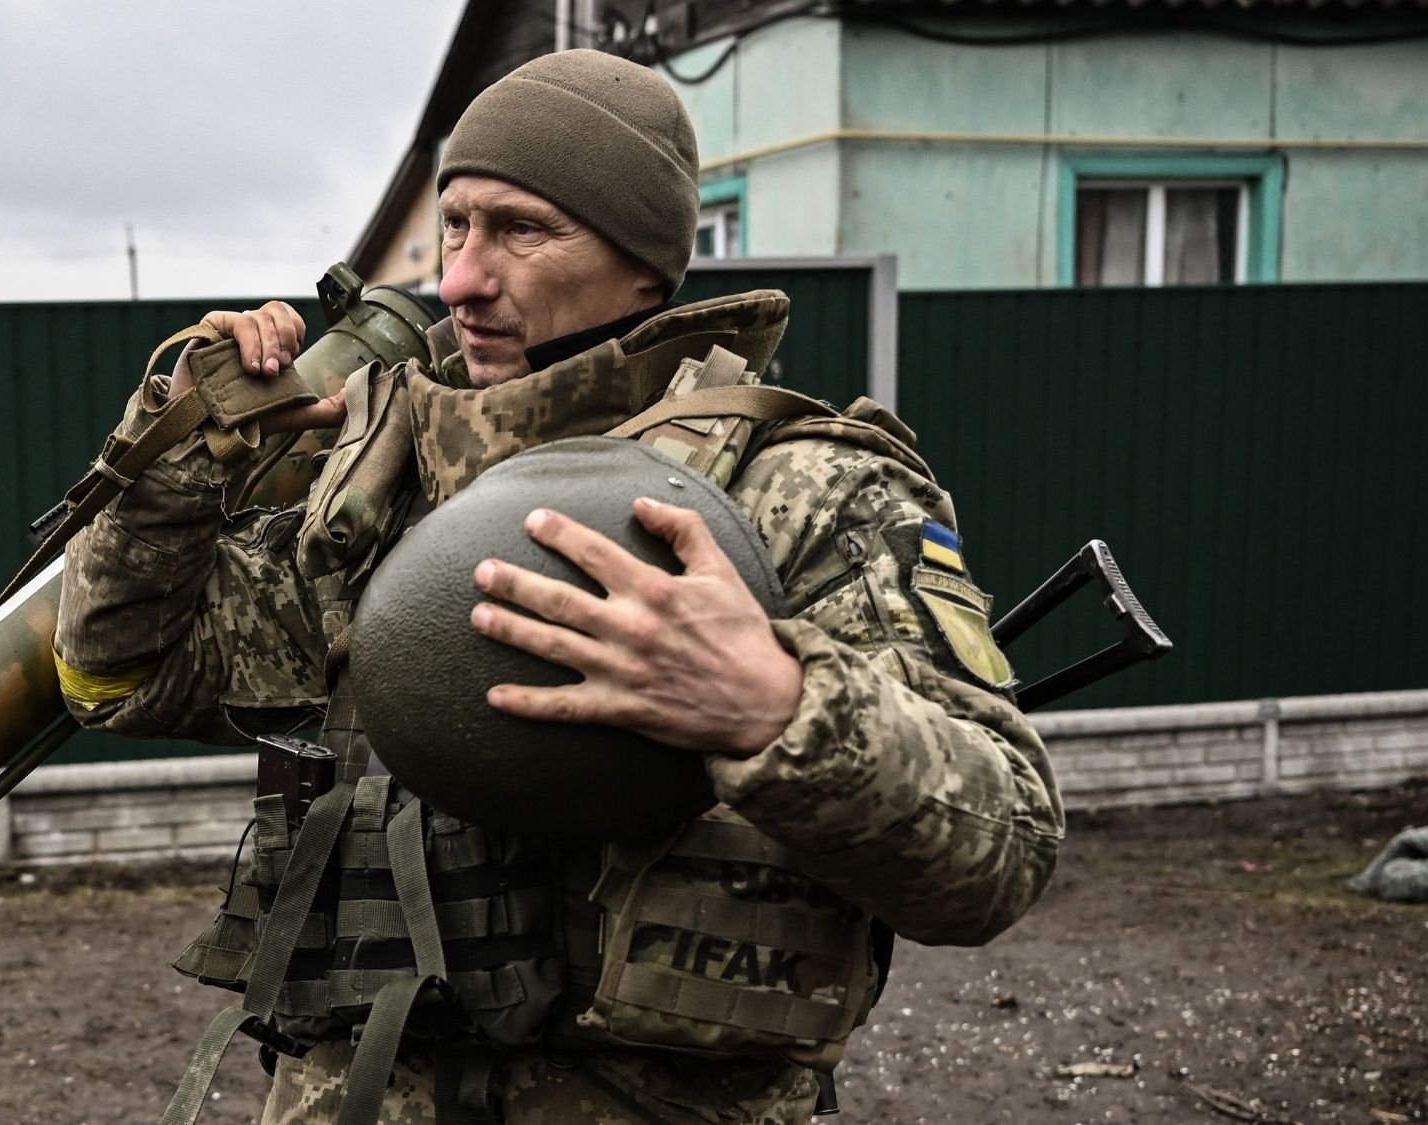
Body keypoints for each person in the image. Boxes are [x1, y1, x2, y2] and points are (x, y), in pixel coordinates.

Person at [54, 49, 1062, 1124]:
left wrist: (778, 707)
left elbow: (998, 852)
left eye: (521, 230)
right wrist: (176, 461)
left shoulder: (799, 492)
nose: (458, 279)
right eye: (454, 224)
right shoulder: (382, 481)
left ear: (643, 263)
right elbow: (122, 674)